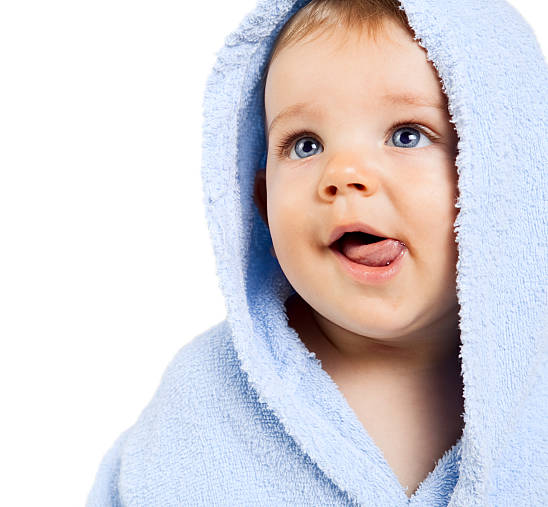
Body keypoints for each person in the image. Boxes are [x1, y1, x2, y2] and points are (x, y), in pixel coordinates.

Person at [86, 0, 548, 505]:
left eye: (406, 135)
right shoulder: (204, 401)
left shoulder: (533, 405)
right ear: (261, 202)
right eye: (305, 145)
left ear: (508, 173)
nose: (343, 174)